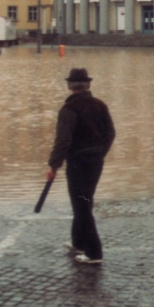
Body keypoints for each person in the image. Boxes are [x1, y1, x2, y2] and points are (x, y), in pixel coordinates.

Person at [46, 68, 115, 265]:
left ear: (69, 86)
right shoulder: (100, 105)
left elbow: (63, 140)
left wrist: (53, 165)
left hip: (78, 165)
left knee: (82, 205)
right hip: (95, 163)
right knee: (84, 201)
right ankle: (78, 241)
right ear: (89, 85)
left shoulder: (69, 110)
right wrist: (100, 153)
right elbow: (111, 133)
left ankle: (94, 252)